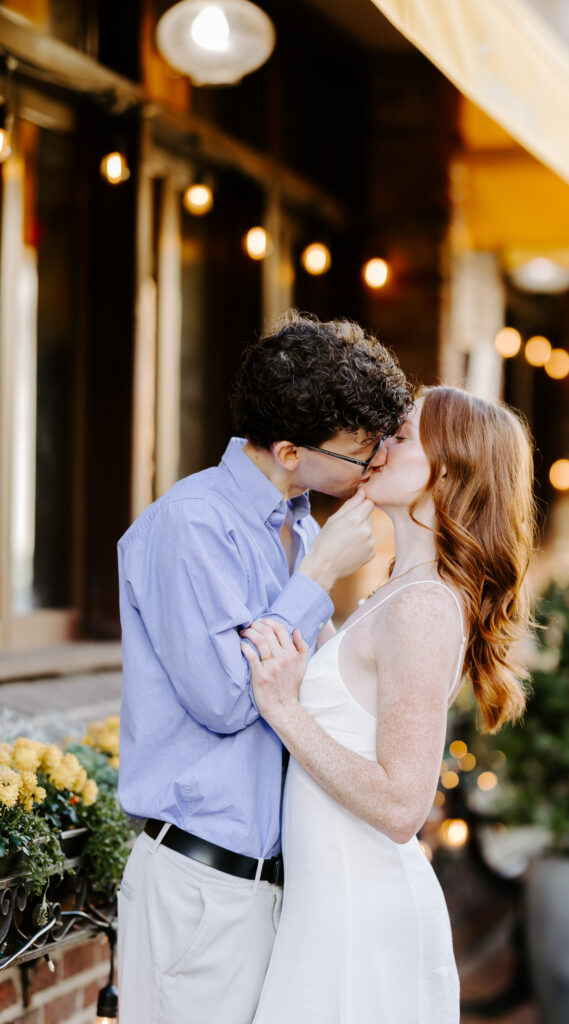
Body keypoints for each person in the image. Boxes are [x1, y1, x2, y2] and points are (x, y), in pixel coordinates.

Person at [115, 311, 413, 1024]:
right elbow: (225, 699)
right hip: (202, 883)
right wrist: (315, 578)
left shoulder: (301, 523)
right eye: (359, 451)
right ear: (287, 450)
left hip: (278, 886)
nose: (372, 466)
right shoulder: (191, 525)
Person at [241, 385, 537, 1024]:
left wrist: (283, 709)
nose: (379, 448)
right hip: (331, 907)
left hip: (359, 915)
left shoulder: (425, 607)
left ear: (448, 469)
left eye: (401, 437)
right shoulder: (393, 591)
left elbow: (403, 805)